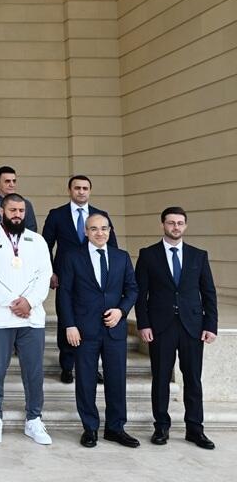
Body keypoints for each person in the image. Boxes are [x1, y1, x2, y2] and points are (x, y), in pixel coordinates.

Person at [135, 206, 218, 450]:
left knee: (193, 379)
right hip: (160, 327)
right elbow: (140, 294)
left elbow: (209, 293)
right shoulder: (148, 255)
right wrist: (143, 324)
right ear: (163, 224)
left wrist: (211, 325)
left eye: (180, 223)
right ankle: (161, 426)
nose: (175, 227)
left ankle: (195, 429)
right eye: (171, 223)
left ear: (185, 225)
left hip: (193, 327)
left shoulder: (198, 255)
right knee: (161, 378)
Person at [0, 194, 53, 445]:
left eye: (21, 210)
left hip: (31, 318)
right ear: (1, 211)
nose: (17, 215)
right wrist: (12, 301)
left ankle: (34, 419)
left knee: (34, 371)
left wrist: (29, 301)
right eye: (12, 210)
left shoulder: (37, 240)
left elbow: (44, 275)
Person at [57, 213, 139, 449]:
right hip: (84, 330)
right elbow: (65, 294)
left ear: (110, 231)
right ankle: (90, 428)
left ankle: (115, 428)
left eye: (104, 228)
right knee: (85, 381)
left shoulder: (121, 257)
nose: (99, 233)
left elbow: (132, 289)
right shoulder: (73, 257)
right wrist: (69, 325)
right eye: (94, 229)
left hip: (114, 329)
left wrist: (121, 311)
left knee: (116, 380)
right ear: (86, 232)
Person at [43, 175, 118, 384]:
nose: (81, 191)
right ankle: (67, 366)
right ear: (70, 190)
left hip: (95, 279)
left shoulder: (101, 216)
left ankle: (91, 367)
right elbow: (45, 245)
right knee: (67, 319)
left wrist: (112, 276)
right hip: (65, 276)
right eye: (77, 188)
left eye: (85, 188)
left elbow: (112, 246)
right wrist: (50, 271)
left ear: (90, 191)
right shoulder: (57, 214)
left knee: (94, 322)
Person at [0, 166, 38, 232]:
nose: (12, 184)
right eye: (7, 181)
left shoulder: (25, 204)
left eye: (14, 181)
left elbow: (32, 230)